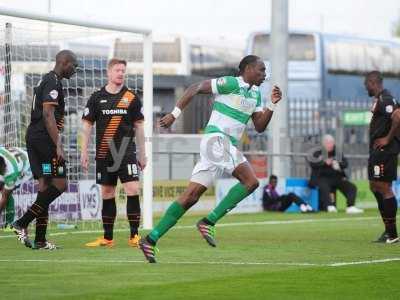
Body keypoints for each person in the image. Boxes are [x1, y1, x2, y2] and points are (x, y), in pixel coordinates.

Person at [139, 55, 282, 263]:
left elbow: (259, 126)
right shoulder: (231, 83)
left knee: (190, 197)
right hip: (216, 140)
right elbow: (195, 88)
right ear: (248, 69)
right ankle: (209, 221)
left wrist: (272, 104)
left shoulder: (257, 95)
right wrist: (174, 114)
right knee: (251, 181)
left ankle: (150, 240)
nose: (264, 75)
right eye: (261, 70)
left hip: (223, 146)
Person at [12, 50, 78, 250]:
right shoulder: (53, 82)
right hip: (45, 140)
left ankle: (40, 240)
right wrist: (58, 144)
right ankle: (21, 222)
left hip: (34, 137)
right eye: (74, 66)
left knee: (45, 185)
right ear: (65, 62)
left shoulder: (45, 80)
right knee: (60, 184)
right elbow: (48, 114)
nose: (75, 70)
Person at [81, 58, 146, 248]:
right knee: (107, 192)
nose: (120, 73)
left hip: (126, 152)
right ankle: (107, 238)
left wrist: (143, 153)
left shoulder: (131, 98)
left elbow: (139, 127)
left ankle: (134, 235)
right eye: (117, 70)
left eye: (123, 70)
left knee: (132, 189)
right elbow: (86, 126)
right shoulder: (96, 97)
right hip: (104, 154)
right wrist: (83, 151)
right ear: (109, 73)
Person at [365, 71, 400, 244]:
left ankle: (392, 234)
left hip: (385, 152)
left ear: (373, 82)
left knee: (383, 187)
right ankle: (388, 230)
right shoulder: (380, 100)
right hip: (378, 152)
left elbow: (398, 116)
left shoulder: (386, 99)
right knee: (374, 186)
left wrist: (387, 138)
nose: (366, 87)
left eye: (367, 84)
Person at [307, 134, 363, 214]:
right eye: (328, 143)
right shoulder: (317, 152)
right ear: (323, 143)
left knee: (351, 187)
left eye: (331, 143)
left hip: (337, 177)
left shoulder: (337, 152)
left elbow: (345, 164)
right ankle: (329, 206)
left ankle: (350, 207)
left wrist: (337, 164)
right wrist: (324, 162)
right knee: (324, 186)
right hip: (322, 178)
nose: (330, 145)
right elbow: (313, 164)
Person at [0, 147, 32, 230]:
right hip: (15, 155)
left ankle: (10, 222)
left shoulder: (11, 174)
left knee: (6, 193)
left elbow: (4, 197)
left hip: (26, 168)